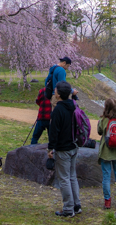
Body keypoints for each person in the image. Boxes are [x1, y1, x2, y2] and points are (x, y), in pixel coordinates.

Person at [48, 81, 82, 217]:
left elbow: (53, 132)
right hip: (74, 146)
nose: (54, 92)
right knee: (72, 177)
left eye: (55, 91)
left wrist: (51, 148)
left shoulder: (58, 109)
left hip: (63, 148)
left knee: (64, 179)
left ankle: (68, 209)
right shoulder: (74, 105)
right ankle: (76, 205)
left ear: (59, 94)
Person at [98, 98, 116, 209]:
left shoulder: (103, 120)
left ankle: (107, 202)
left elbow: (100, 132)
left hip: (106, 152)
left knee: (106, 177)